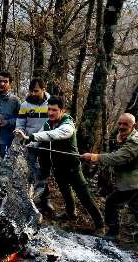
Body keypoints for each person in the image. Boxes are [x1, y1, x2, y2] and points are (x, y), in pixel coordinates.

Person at [14, 96, 104, 233]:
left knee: (84, 195)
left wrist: (29, 136)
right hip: (57, 167)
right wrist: (24, 141)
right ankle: (71, 213)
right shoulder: (48, 124)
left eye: (54, 110)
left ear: (62, 110)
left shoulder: (68, 125)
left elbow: (52, 135)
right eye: (49, 109)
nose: (50, 113)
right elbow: (39, 139)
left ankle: (100, 225)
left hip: (72, 167)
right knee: (65, 192)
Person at [81, 113, 138, 240]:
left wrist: (94, 157)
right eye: (119, 123)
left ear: (133, 126)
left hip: (134, 181)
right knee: (135, 207)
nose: (121, 126)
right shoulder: (124, 136)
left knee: (112, 202)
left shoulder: (135, 141)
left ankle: (113, 233)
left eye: (125, 124)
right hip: (129, 178)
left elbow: (119, 158)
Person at [15, 78, 53, 213]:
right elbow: (20, 124)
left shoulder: (51, 104)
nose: (33, 93)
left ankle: (44, 200)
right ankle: (28, 199)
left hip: (45, 144)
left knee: (43, 172)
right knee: (30, 171)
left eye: (36, 91)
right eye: (31, 91)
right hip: (29, 144)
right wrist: (20, 134)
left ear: (44, 89)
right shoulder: (25, 105)